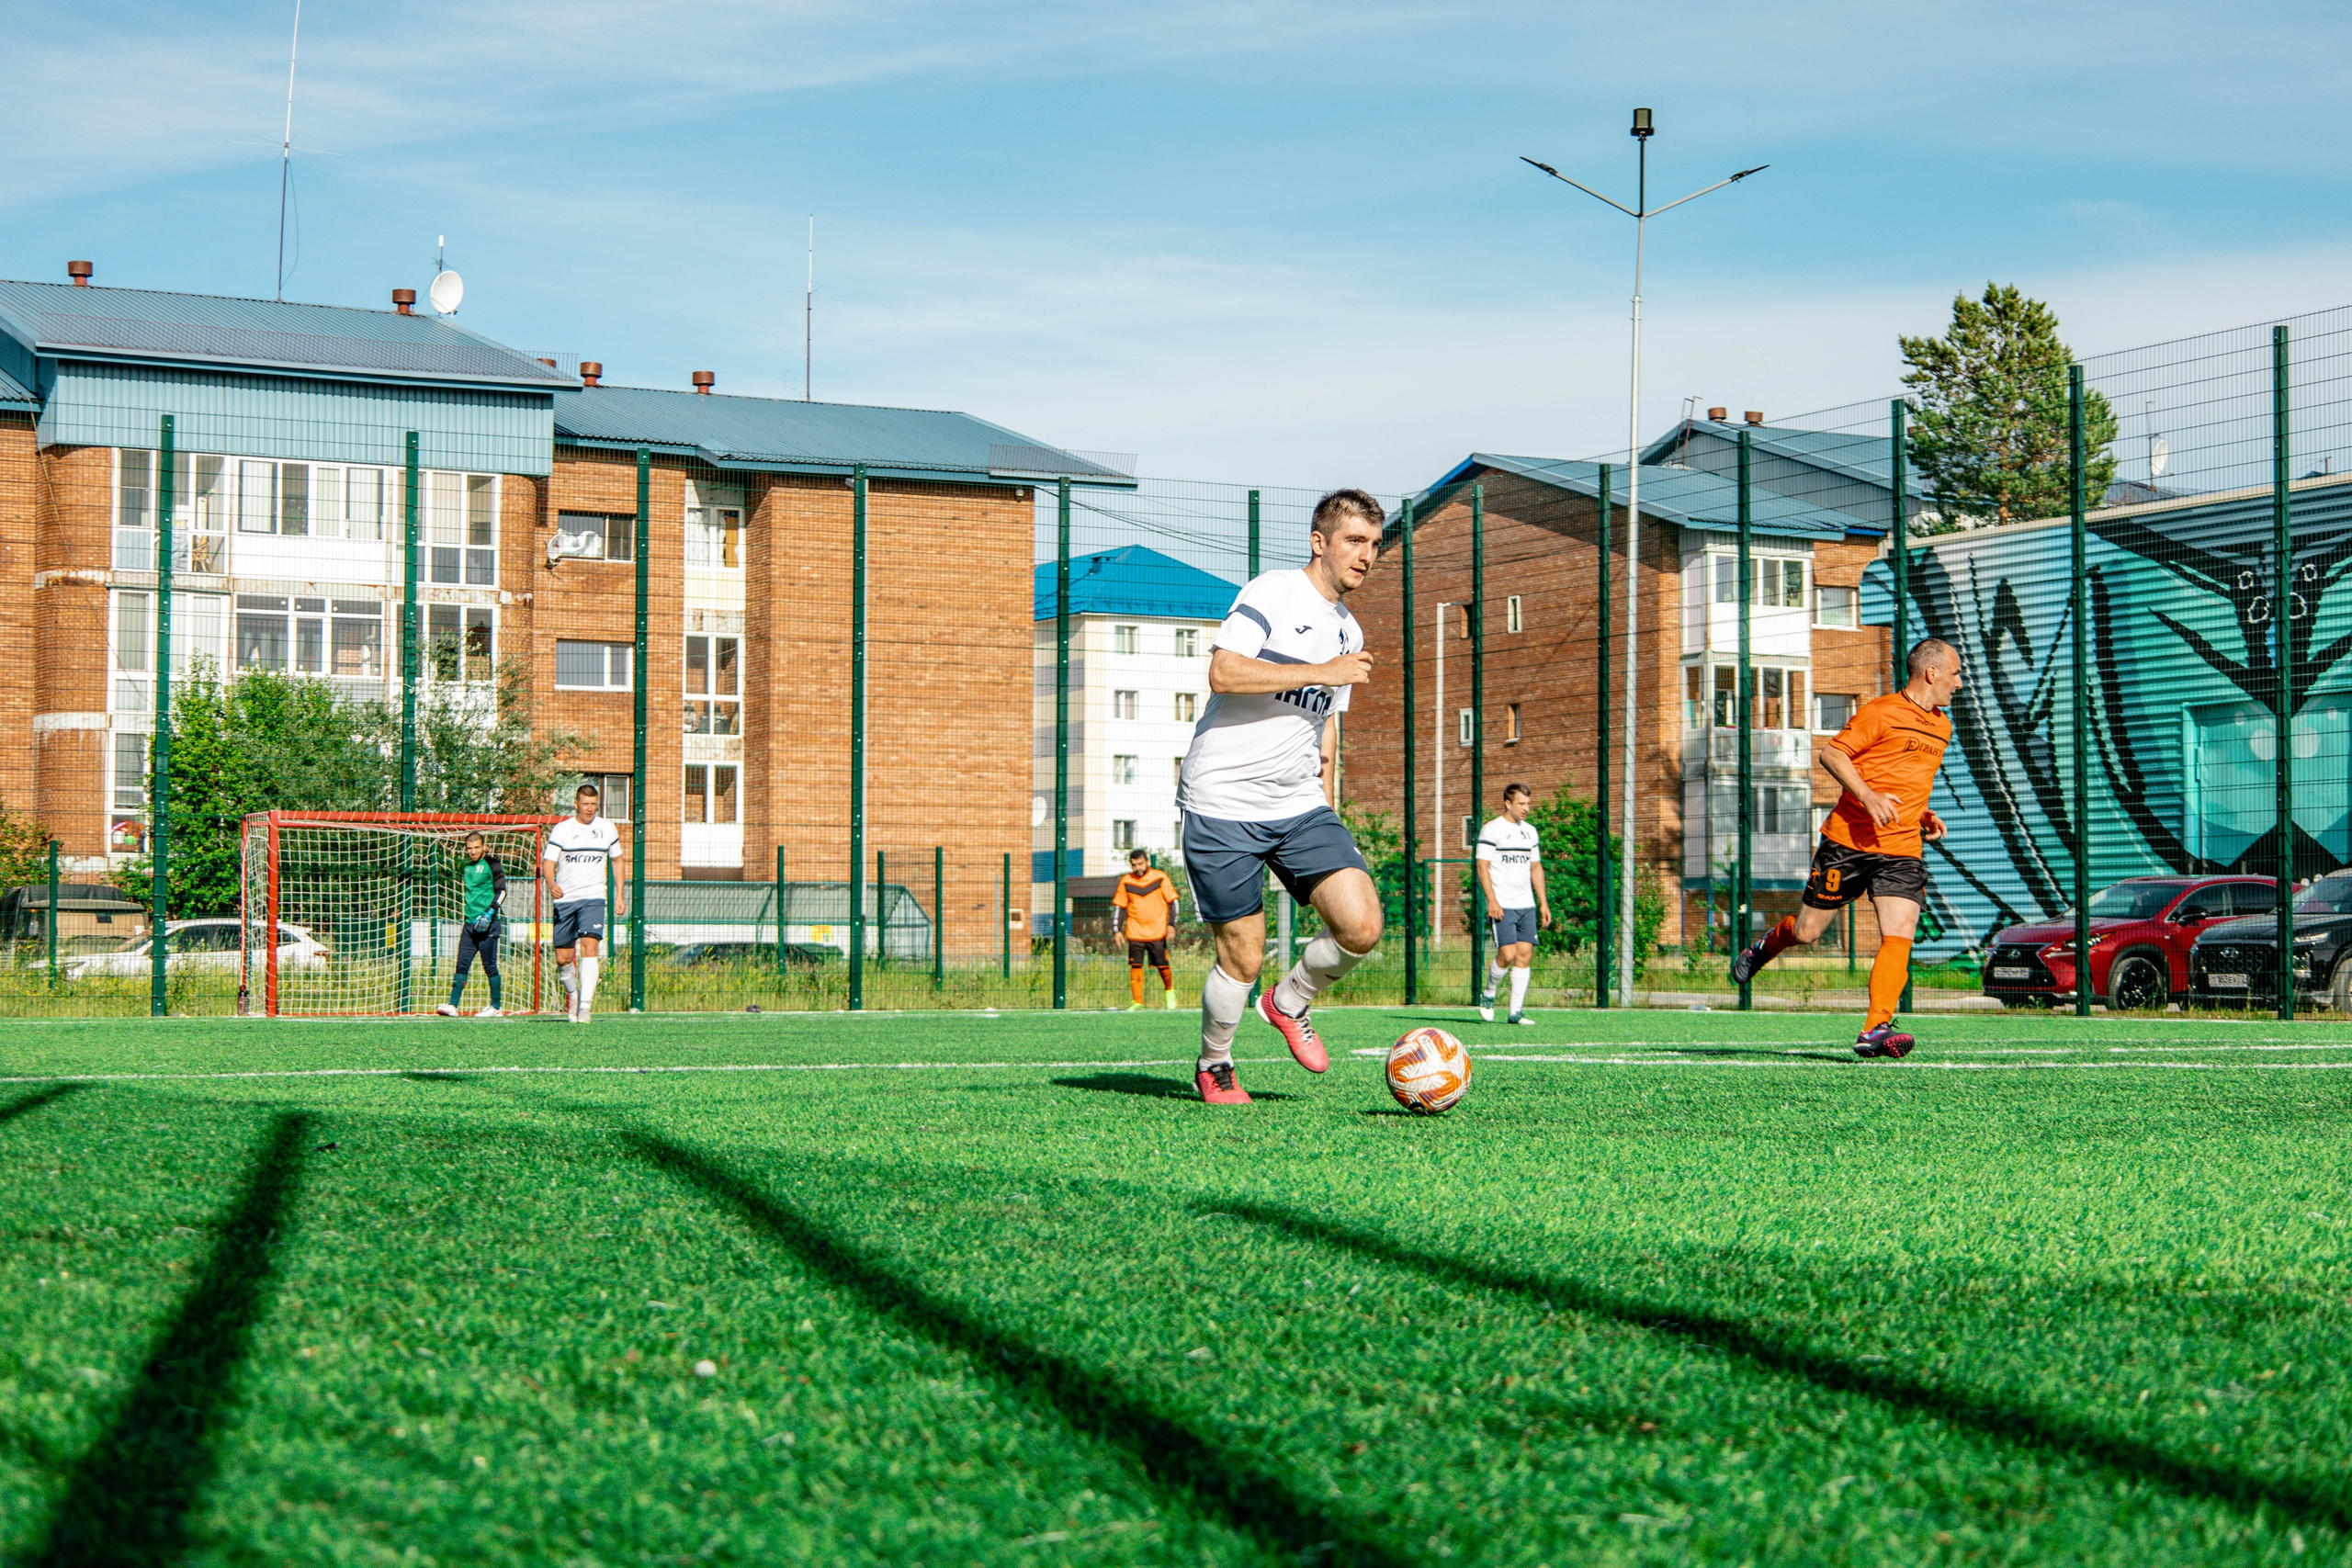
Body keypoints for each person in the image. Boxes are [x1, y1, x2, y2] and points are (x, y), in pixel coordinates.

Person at [1173, 488, 1386, 1104]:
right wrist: (1320, 670)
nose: (1365, 555)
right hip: (1223, 801)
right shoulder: (1272, 592)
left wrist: (1327, 800)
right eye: (1354, 540)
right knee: (1240, 956)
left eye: (1373, 544)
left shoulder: (1350, 629)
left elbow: (1326, 727)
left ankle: (1289, 1000)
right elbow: (1224, 671)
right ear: (1320, 542)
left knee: (1362, 923)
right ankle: (1215, 1063)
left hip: (1297, 803)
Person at [1731, 637, 1963, 1057]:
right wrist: (1869, 797)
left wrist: (1922, 813)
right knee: (1808, 932)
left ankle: (1876, 1026)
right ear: (1932, 672)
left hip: (1902, 848)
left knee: (1901, 931)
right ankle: (1767, 945)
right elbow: (1833, 754)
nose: (1959, 683)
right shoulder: (1882, 712)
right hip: (1848, 842)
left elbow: (1907, 776)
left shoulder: (1942, 725)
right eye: (1956, 673)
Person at [542, 782, 622, 1023]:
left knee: (590, 946)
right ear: (576, 804)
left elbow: (617, 861)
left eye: (594, 804)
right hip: (566, 900)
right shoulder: (562, 830)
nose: (590, 809)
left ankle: (586, 1006)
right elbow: (548, 863)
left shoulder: (607, 828)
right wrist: (551, 883)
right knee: (563, 958)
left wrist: (619, 894)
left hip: (594, 897)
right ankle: (574, 997)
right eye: (585, 804)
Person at [1476, 783, 1550, 1025]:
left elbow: (1536, 867)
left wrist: (1543, 903)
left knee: (1525, 955)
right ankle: (1488, 993)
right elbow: (1482, 866)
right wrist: (1492, 900)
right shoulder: (1491, 830)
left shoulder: (1531, 832)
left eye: (1528, 804)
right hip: (1502, 904)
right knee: (1507, 954)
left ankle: (1515, 1012)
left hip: (1526, 904)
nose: (1526, 808)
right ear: (1508, 804)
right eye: (1522, 804)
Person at [438, 831, 507, 1018]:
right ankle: (453, 1005)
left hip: (488, 924)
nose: (473, 851)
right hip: (469, 925)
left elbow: (501, 892)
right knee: (461, 964)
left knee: (489, 965)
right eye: (469, 848)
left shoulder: (493, 865)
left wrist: (489, 912)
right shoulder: (468, 868)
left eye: (477, 847)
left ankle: (496, 1006)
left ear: (484, 847)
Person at [1114, 849, 1182, 1010]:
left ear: (1147, 862)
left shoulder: (1160, 877)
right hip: (1135, 932)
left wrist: (1172, 925)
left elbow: (1173, 902)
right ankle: (1137, 1001)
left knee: (1162, 965)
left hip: (1157, 932)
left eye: (1140, 864)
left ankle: (1169, 991)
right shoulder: (1126, 881)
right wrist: (1116, 930)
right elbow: (1120, 907)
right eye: (1134, 865)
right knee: (1135, 966)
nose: (1137, 867)